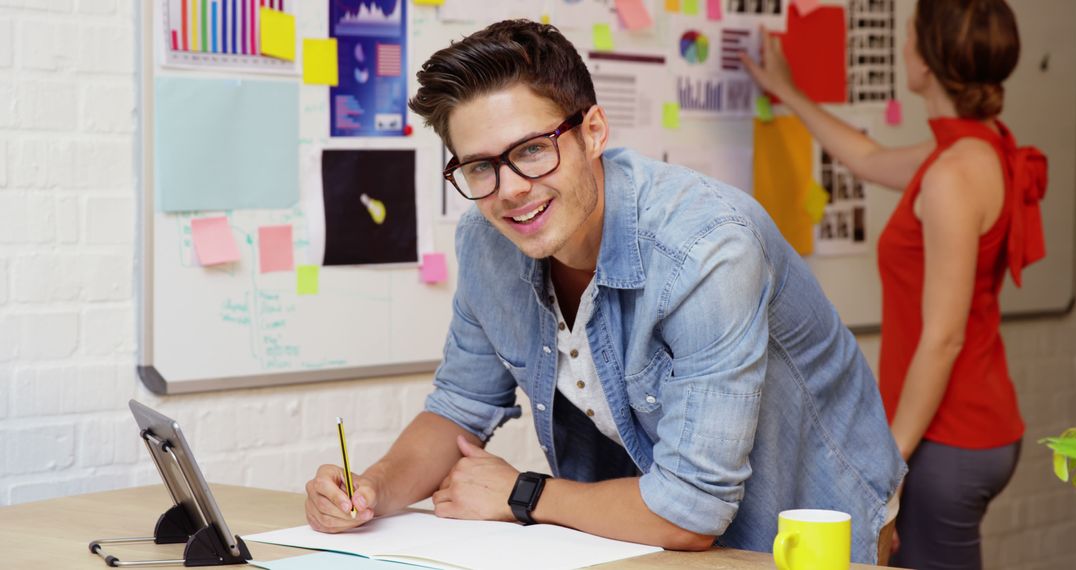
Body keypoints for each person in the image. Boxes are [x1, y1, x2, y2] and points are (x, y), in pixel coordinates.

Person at [305, 19, 904, 563]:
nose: (509, 189)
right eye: (480, 167)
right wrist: (373, 490)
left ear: (593, 131)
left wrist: (523, 492)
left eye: (532, 150)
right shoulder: (485, 242)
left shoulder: (706, 247)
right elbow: (458, 409)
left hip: (809, 526)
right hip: (655, 538)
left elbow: (691, 509)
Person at [740, 1, 1046, 568]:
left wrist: (889, 468)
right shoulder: (973, 150)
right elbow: (866, 156)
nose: (904, 47)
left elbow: (943, 338)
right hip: (971, 425)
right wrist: (786, 90)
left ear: (927, 62)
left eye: (910, 36)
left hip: (950, 436)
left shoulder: (955, 174)